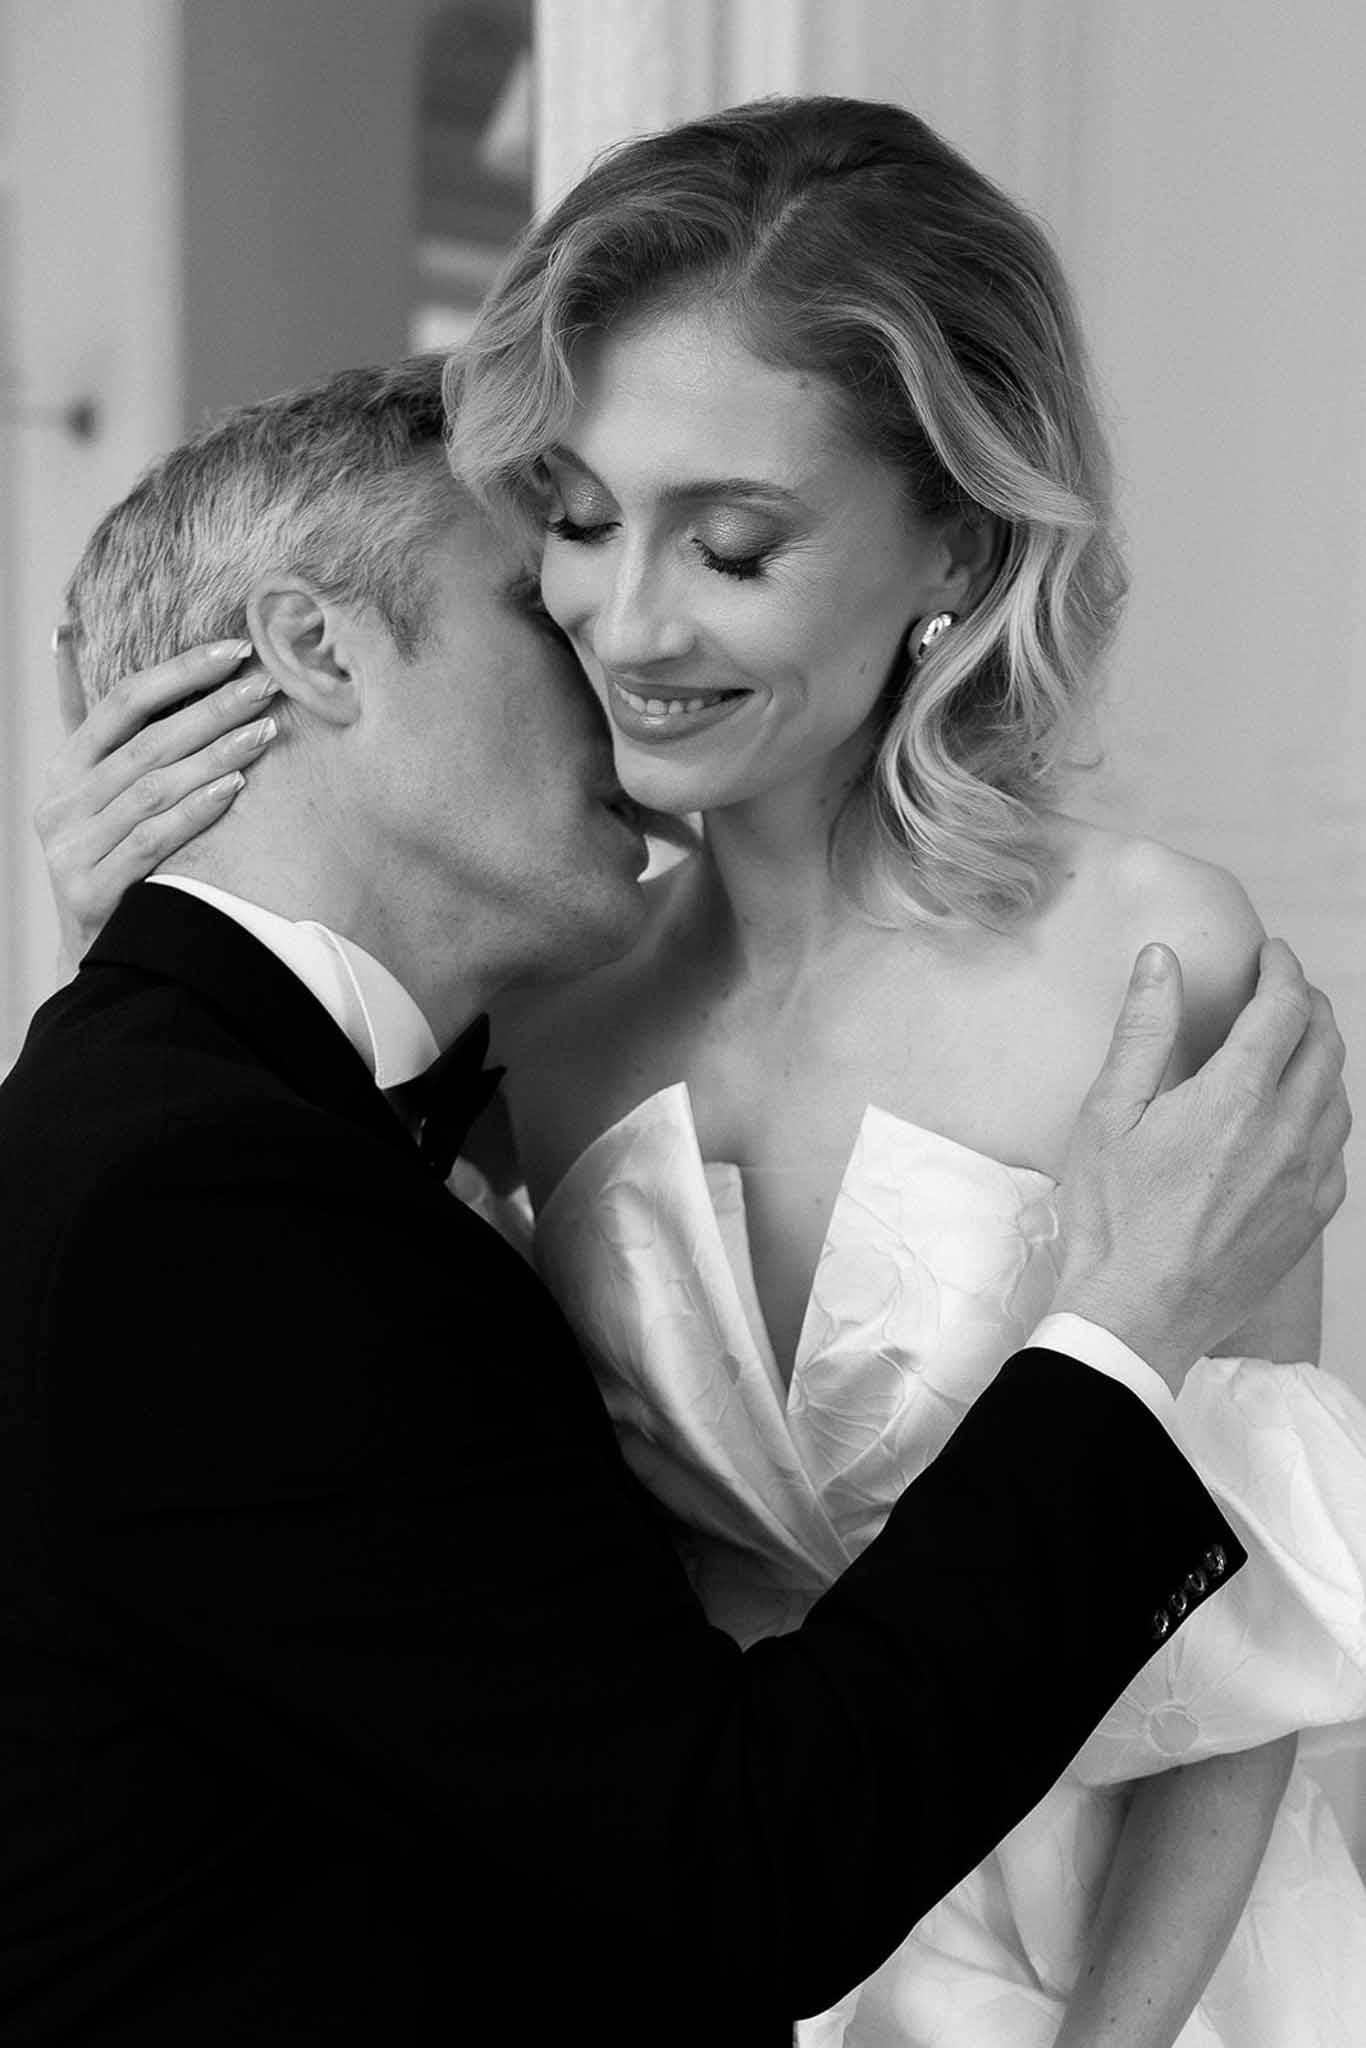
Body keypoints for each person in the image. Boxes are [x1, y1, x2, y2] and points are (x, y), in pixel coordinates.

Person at [23, 364, 1345, 2048]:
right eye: (547, 593)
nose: (625, 676)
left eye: (714, 549)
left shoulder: (231, 1125)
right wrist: (1119, 1333)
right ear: (312, 649)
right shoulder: (215, 1192)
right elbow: (727, 1868)